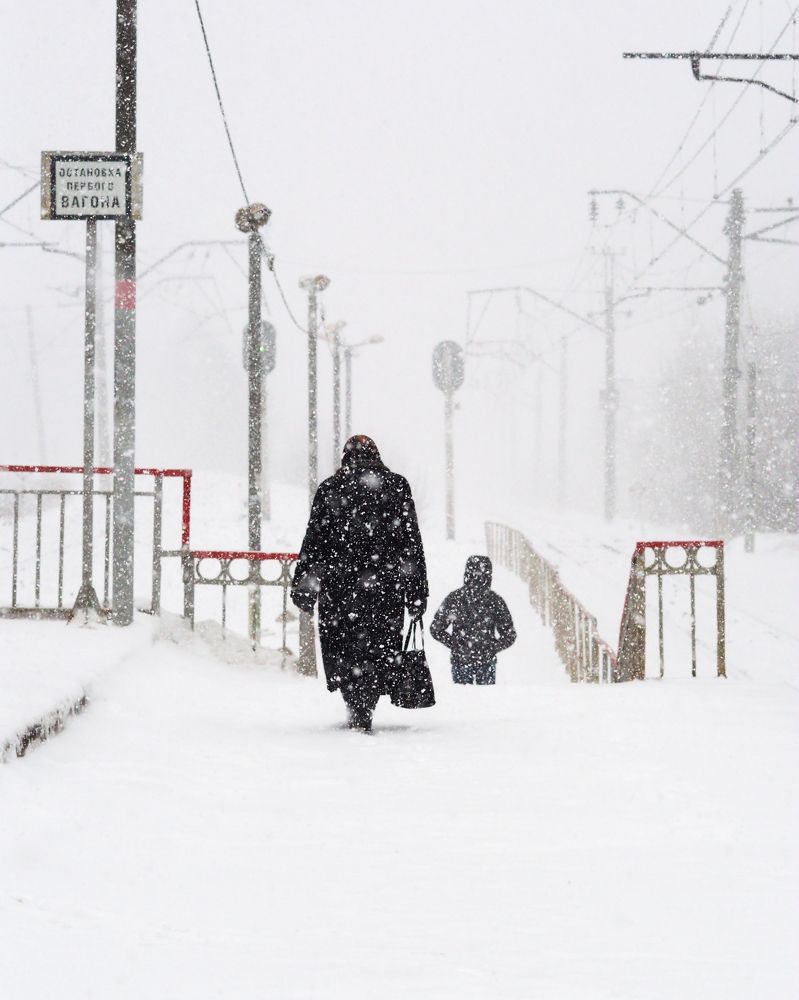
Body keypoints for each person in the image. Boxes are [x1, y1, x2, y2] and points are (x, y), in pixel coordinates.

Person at [291, 435, 428, 732]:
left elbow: (315, 540)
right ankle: (366, 704)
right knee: (378, 650)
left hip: (339, 592)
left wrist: (305, 585)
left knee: (344, 650)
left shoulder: (331, 488)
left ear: (345, 457)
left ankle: (355, 705)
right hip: (385, 591)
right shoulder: (397, 486)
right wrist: (416, 592)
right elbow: (411, 543)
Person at [430, 555, 516, 685]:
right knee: (485, 697)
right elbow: (509, 634)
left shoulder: (455, 598)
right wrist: (491, 648)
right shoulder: (495, 601)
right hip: (484, 663)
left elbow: (436, 629)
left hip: (463, 661)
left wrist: (456, 644)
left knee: (463, 696)